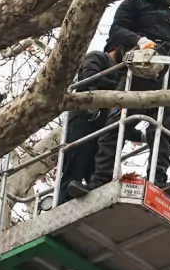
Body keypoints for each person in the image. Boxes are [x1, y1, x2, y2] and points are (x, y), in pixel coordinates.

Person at [69, 0, 170, 199]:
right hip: (134, 76)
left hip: (167, 81)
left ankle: (158, 179)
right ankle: (99, 179)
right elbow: (117, 31)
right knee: (116, 125)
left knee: (163, 131)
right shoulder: (133, 4)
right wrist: (141, 41)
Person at [57, 45, 137, 205]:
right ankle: (64, 201)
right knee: (76, 164)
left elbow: (119, 119)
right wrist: (119, 87)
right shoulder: (97, 57)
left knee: (99, 172)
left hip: (102, 129)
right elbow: (89, 78)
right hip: (84, 120)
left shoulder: (124, 74)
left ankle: (94, 200)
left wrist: (140, 135)